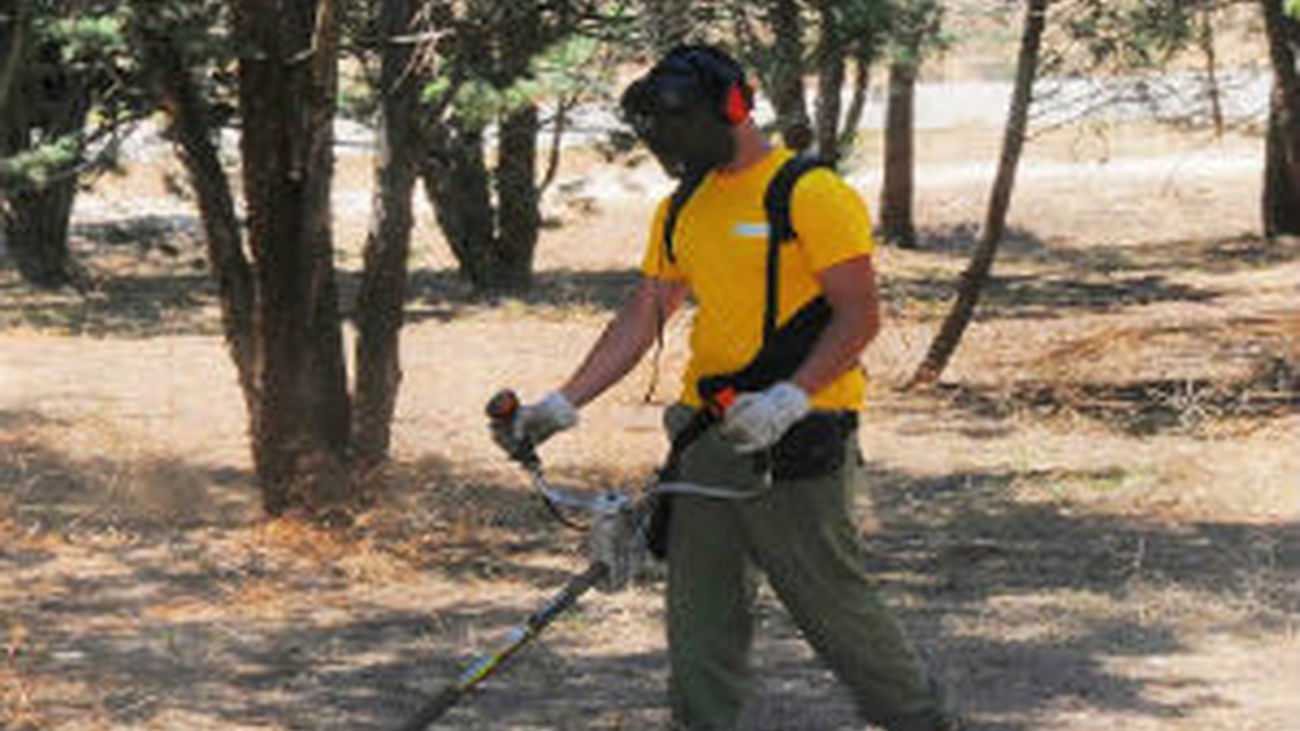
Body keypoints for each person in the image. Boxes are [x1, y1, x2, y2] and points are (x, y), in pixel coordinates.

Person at [507, 44, 961, 731]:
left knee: (833, 605)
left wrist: (790, 398)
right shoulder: (682, 206)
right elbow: (646, 310)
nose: (673, 145)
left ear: (734, 107)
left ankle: (922, 720)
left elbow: (860, 315)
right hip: (704, 437)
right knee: (700, 616)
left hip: (799, 439)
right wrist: (564, 402)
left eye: (682, 125)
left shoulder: (809, 193)